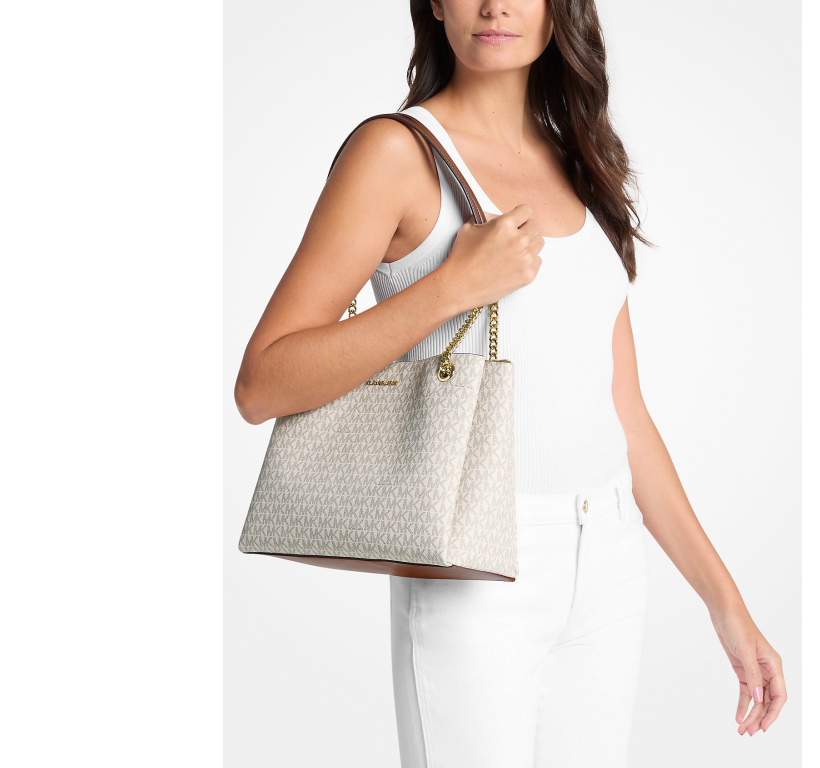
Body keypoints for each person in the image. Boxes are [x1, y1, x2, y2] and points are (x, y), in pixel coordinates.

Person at [234, 0, 787, 765]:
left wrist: (727, 606)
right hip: (473, 562)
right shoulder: (395, 153)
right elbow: (262, 382)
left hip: (608, 559)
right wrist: (451, 287)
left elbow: (625, 414)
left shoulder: (578, 158)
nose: (495, 5)